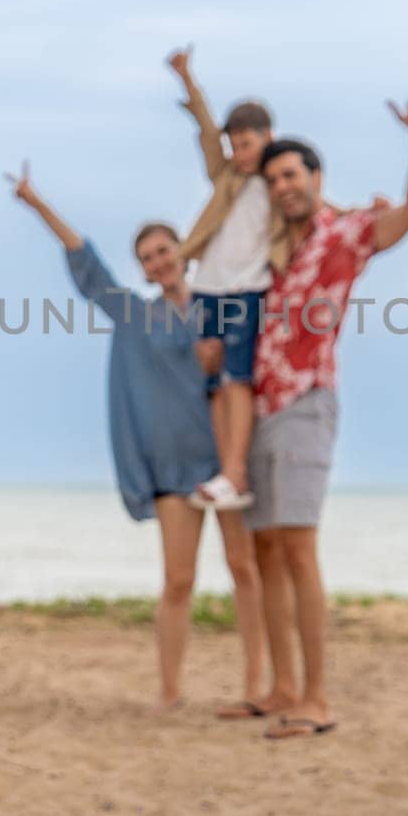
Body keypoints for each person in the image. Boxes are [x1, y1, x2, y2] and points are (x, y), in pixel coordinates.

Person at [7, 161, 269, 716]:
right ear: (145, 270)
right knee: (178, 580)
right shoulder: (132, 314)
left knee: (245, 570)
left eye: (164, 250)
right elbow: (88, 267)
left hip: (223, 462)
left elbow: (243, 379)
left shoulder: (217, 308)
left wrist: (212, 363)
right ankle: (170, 691)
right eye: (148, 257)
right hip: (171, 470)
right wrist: (37, 203)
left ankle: (255, 685)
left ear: (182, 252)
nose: (158, 261)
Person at [241, 100, 408, 740]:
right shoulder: (276, 246)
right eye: (274, 180)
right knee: (264, 548)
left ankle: (318, 699)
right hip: (262, 406)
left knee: (297, 547)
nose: (282, 186)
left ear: (316, 178)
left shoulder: (347, 233)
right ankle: (283, 688)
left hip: (307, 401)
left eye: (291, 175)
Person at [166, 45, 277, 513]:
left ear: (267, 138)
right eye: (234, 145)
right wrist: (187, 80)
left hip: (249, 289)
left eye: (246, 144)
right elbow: (207, 132)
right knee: (213, 378)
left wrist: (367, 212)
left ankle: (236, 471)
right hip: (208, 285)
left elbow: (323, 209)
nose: (237, 152)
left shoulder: (280, 180)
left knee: (237, 379)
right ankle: (226, 471)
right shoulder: (228, 176)